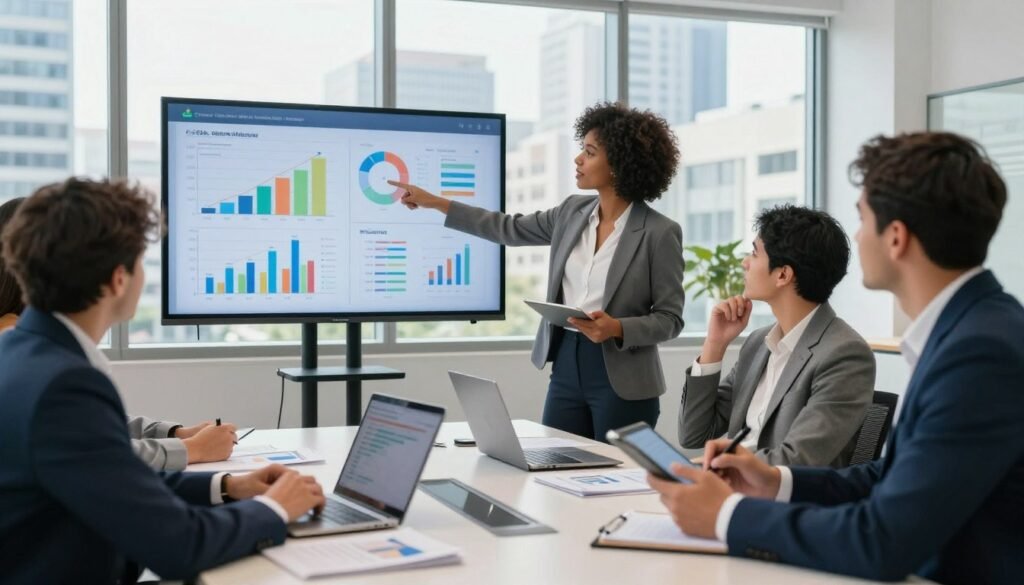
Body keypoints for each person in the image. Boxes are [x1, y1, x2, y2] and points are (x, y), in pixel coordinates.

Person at [648, 132, 1024, 585]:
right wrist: (774, 482)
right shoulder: (970, 329)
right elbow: (892, 476)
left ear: (897, 238)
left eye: (863, 219)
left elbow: (882, 542)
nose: (858, 235)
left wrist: (728, 516)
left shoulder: (979, 352)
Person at [0, 178, 326, 583]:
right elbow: (180, 546)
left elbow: (115, 481)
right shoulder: (63, 386)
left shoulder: (21, 353)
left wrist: (229, 486)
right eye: (141, 263)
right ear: (119, 279)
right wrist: (275, 508)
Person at [390, 102, 684, 441]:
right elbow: (507, 228)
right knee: (555, 465)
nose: (578, 159)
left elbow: (670, 319)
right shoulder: (571, 212)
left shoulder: (659, 232)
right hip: (566, 363)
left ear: (619, 163)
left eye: (589, 152)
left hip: (624, 375)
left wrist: (616, 328)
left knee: (620, 482)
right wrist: (436, 202)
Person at [0, 196, 237, 471]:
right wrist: (191, 450)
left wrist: (174, 434)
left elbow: (89, 422)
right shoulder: (20, 343)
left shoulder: (32, 336)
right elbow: (98, 452)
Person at [678, 205, 874, 467]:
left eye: (755, 253)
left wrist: (720, 467)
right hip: (733, 486)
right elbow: (694, 433)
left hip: (784, 500)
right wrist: (715, 345)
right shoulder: (759, 343)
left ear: (783, 274)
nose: (744, 262)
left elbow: (799, 460)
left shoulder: (844, 354)